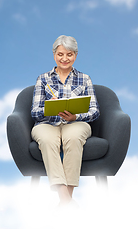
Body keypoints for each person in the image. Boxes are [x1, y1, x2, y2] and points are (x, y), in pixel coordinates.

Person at [31, 35, 100, 206]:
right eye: (60, 54)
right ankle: (66, 199)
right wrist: (50, 108)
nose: (64, 59)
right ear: (54, 54)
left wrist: (76, 116)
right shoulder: (43, 79)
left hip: (76, 123)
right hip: (47, 124)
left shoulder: (85, 79)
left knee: (74, 137)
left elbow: (95, 110)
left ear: (75, 55)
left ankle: (65, 202)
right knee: (47, 140)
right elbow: (35, 111)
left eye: (69, 54)